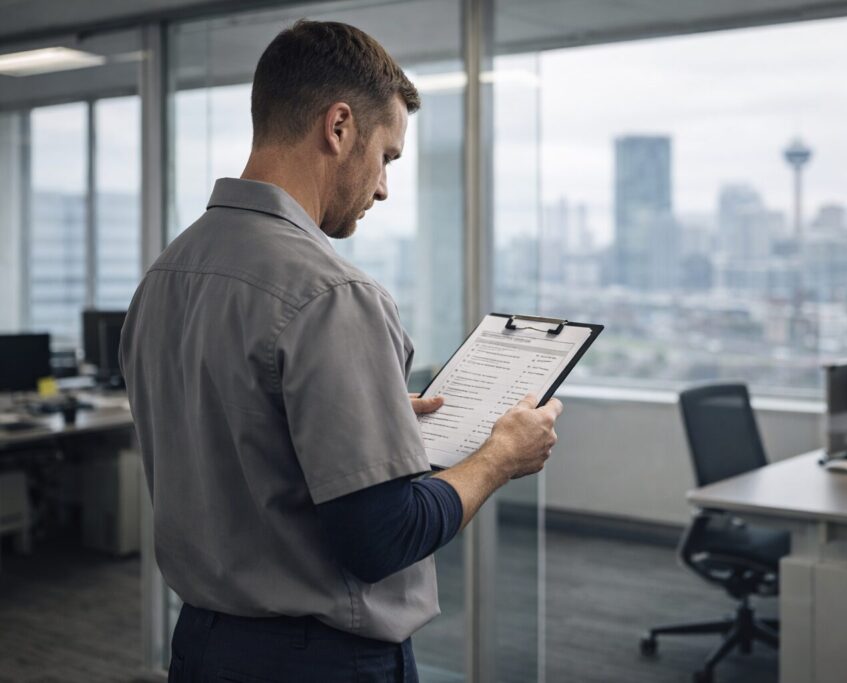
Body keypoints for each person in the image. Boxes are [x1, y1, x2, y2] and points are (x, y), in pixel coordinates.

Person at [120, 20, 562, 682]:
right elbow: (383, 536)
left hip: (204, 646)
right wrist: (500, 457)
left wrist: (369, 417)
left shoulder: (166, 275)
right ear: (339, 127)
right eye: (387, 157)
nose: (383, 187)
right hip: (319, 662)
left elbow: (240, 433)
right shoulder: (331, 294)